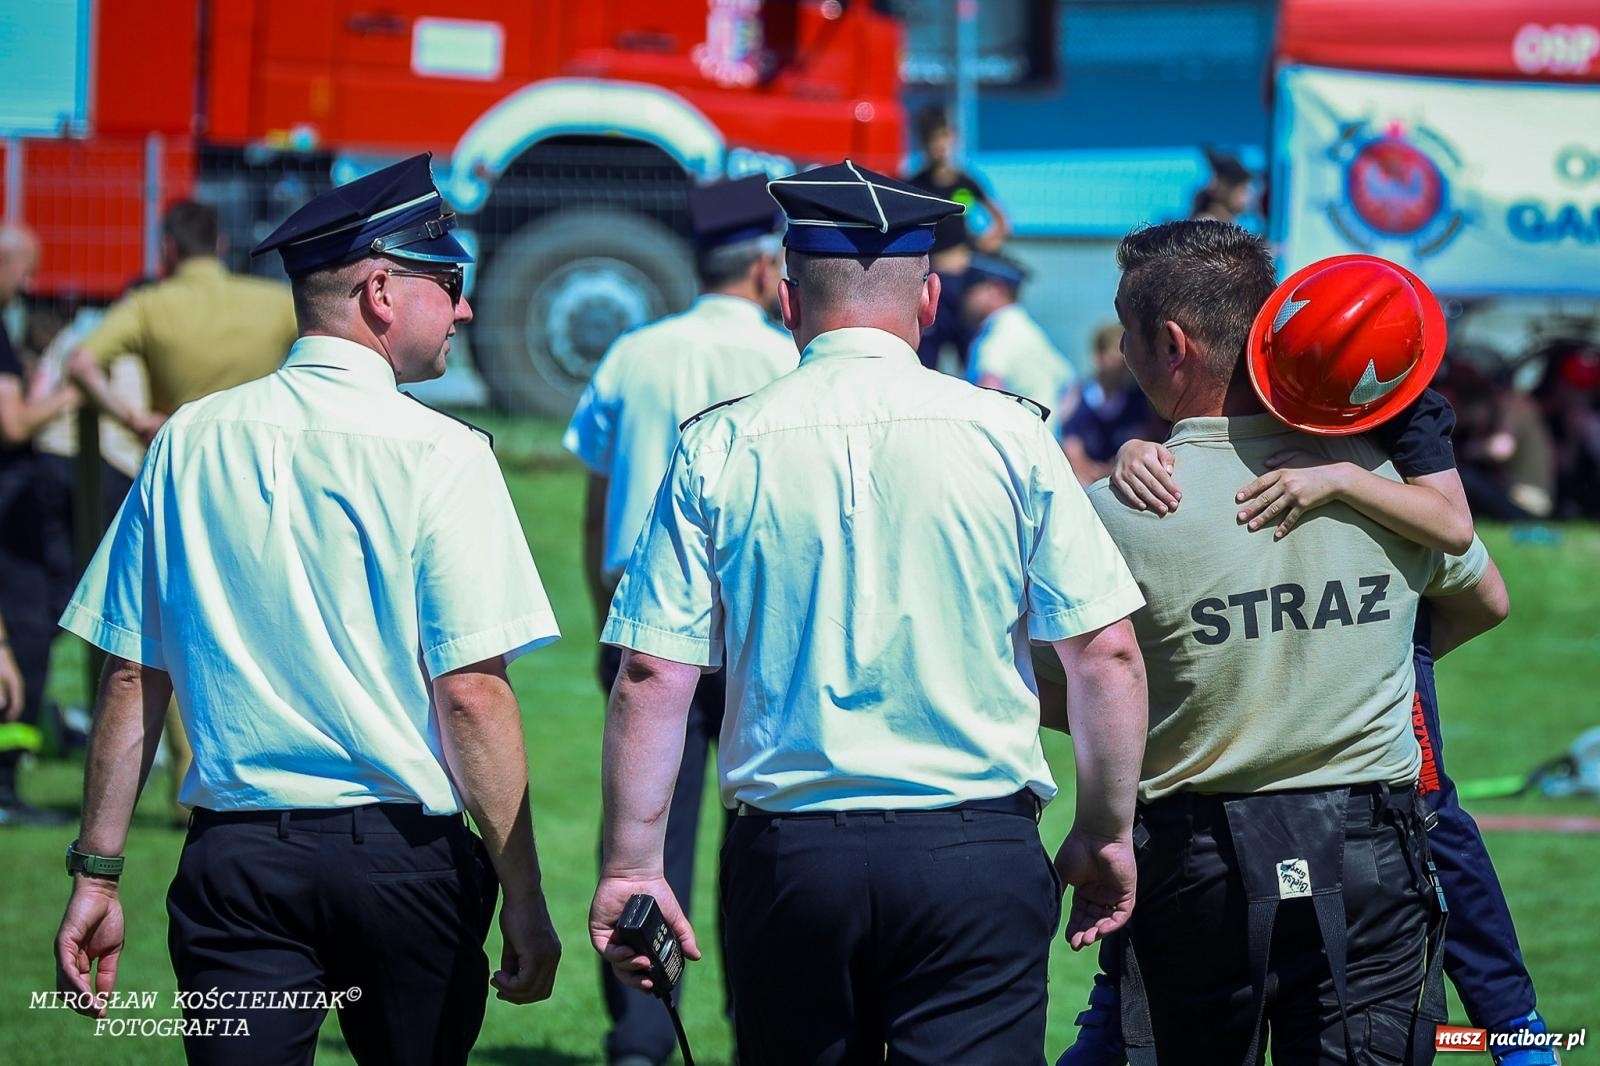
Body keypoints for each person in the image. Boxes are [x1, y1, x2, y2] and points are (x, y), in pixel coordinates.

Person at [589, 160, 1150, 1065]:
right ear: (929, 299)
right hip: (974, 845)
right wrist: (1105, 831)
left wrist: (632, 866)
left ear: (787, 300)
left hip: (793, 857)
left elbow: (653, 673)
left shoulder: (719, 443)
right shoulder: (1009, 434)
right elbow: (1106, 654)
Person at [52, 153, 563, 1066]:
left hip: (237, 861)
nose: (464, 309)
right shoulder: (443, 453)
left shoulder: (187, 441)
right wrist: (523, 896)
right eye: (449, 284)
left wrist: (97, 872)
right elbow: (471, 694)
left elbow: (132, 672)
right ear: (381, 291)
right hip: (403, 861)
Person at [1065, 222, 1507, 1066]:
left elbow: (1075, 693)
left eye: (1126, 330)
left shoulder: (1119, 511)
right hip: (1372, 852)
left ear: (1173, 343)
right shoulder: (1381, 484)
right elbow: (1486, 600)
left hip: (1196, 861)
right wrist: (1353, 670)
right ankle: (1525, 1037)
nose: (1121, 351)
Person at [563, 173, 795, 1066]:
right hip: (755, 624)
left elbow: (597, 501)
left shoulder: (635, 352)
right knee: (762, 831)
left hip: (645, 616)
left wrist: (605, 620)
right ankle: (760, 1022)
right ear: (765, 266)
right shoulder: (785, 355)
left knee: (643, 827)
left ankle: (640, 1032)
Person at [68, 199, 298, 821]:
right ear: (220, 243)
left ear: (168, 248)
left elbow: (80, 361)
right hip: (263, 475)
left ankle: (187, 780)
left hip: (181, 475)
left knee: (173, 630)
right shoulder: (271, 301)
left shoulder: (150, 306)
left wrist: (132, 418)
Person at [0, 221, 77, 824]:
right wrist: (71, 394)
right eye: (25, 271)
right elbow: (14, 424)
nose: (27, 285)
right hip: (10, 514)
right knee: (24, 637)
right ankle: (5, 786)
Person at [904, 105, 1011, 371]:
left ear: (952, 138)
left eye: (942, 137)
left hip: (963, 283)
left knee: (971, 357)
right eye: (932, 139)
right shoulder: (915, 185)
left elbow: (1001, 221)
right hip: (931, 281)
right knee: (927, 359)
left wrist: (982, 246)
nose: (938, 146)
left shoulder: (965, 183)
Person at [961, 253, 1077, 436]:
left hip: (1011, 448)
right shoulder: (1029, 330)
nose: (963, 295)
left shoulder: (997, 337)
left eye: (969, 286)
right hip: (1041, 445)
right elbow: (1071, 386)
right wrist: (1050, 428)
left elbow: (988, 390)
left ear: (996, 289)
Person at [1059, 323, 1161, 488]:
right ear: (1098, 356)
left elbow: (1144, 436)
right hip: (1086, 479)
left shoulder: (1138, 400)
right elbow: (1071, 444)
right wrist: (1088, 469)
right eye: (1117, 359)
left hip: (1124, 472)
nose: (1123, 367)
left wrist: (1115, 465)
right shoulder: (1077, 398)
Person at [1188, 148, 1255, 225]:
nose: (1246, 196)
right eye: (1242, 189)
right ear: (1221, 187)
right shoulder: (1205, 225)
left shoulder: (1225, 223)